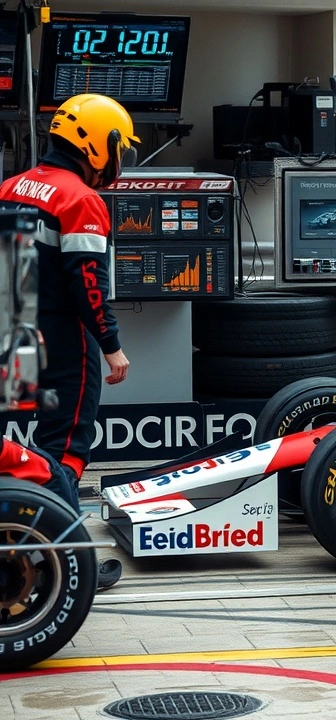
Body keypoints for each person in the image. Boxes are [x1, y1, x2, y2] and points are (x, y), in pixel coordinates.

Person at [0, 93, 135, 592]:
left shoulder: (11, 186)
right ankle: (70, 560)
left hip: (11, 329)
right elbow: (89, 284)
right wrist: (111, 345)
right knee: (66, 449)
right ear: (102, 144)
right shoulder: (81, 200)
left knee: (13, 447)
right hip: (63, 339)